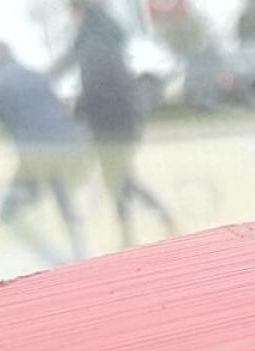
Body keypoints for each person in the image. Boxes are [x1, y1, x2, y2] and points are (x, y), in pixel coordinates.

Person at [53, 0, 176, 248]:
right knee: (117, 177)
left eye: (71, 13)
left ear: (79, 12)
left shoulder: (94, 42)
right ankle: (132, 232)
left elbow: (97, 85)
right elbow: (71, 65)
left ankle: (153, 220)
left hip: (111, 121)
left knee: (119, 177)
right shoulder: (97, 37)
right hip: (119, 118)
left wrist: (77, 109)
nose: (69, 19)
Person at [0, 40, 91, 266]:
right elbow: (57, 110)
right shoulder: (37, 76)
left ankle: (56, 260)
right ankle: (81, 257)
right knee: (63, 200)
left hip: (37, 155)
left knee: (8, 214)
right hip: (70, 146)